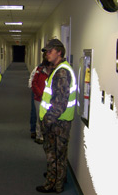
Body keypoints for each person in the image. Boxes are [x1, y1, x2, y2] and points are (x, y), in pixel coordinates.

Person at [36, 39, 77, 193]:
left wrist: (47, 120)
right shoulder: (59, 69)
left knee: (54, 154)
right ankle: (58, 177)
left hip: (57, 122)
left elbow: (60, 103)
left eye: (50, 51)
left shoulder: (62, 72)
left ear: (59, 52)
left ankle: (52, 184)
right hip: (58, 121)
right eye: (46, 51)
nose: (47, 54)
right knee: (59, 154)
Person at [31, 54, 52, 144]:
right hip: (39, 98)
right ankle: (39, 136)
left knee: (49, 118)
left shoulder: (54, 72)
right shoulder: (39, 71)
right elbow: (34, 83)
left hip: (50, 99)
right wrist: (40, 94)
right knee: (40, 117)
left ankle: (47, 135)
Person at [28, 65, 38, 139]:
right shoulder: (38, 69)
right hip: (36, 93)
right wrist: (32, 87)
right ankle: (33, 130)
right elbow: (31, 78)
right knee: (34, 111)